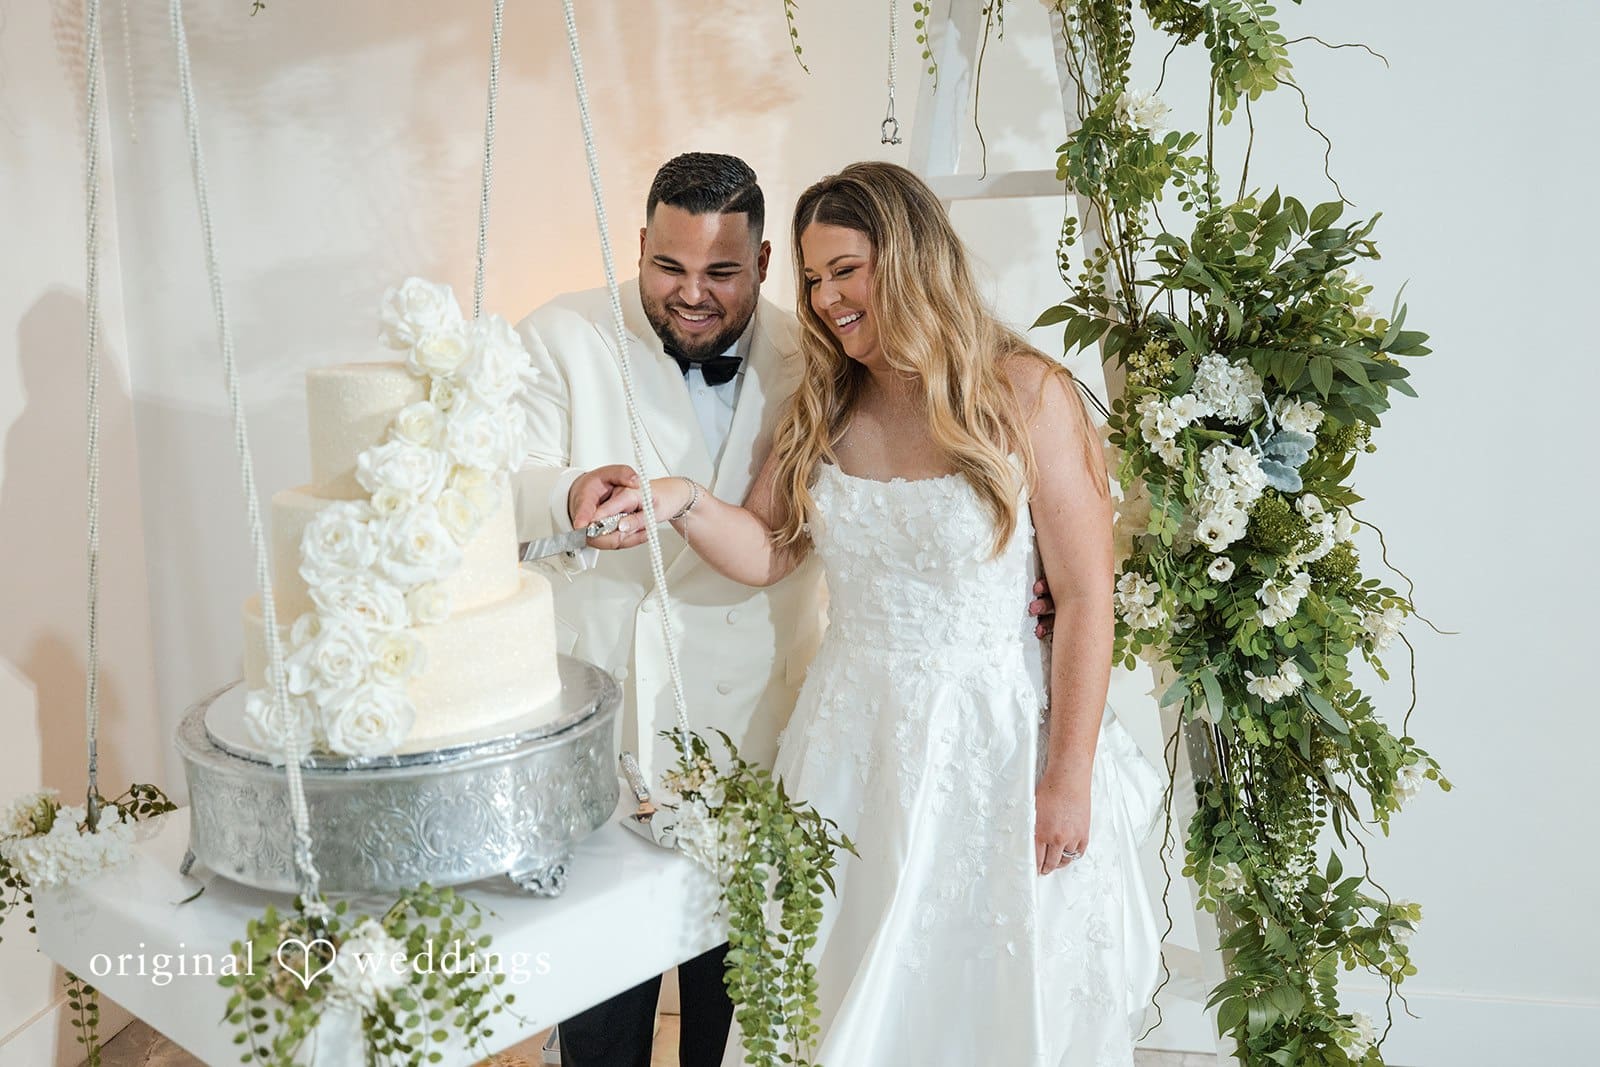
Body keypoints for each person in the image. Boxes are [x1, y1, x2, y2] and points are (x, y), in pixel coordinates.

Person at [591, 161, 1165, 1065]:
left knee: (980, 1000)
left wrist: (1068, 776)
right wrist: (678, 499)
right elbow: (771, 548)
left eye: (845, 271)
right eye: (813, 280)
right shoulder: (824, 400)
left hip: (992, 744)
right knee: (832, 1001)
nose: (826, 300)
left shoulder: (1026, 394)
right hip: (849, 743)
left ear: (908, 256)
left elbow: (1089, 596)